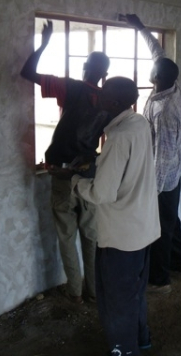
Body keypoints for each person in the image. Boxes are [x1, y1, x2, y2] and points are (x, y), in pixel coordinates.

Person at [20, 20, 110, 304]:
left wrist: (44, 43)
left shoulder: (71, 88)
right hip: (89, 174)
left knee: (66, 235)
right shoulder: (108, 101)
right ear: (104, 74)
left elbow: (27, 72)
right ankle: (94, 291)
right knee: (91, 237)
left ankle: (74, 291)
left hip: (62, 173)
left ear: (84, 65)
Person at [71, 77, 160, 356]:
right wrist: (99, 163)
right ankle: (141, 339)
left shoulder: (118, 137)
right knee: (134, 294)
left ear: (114, 102)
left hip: (121, 237)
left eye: (103, 95)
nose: (97, 98)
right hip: (142, 228)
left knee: (116, 301)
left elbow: (102, 194)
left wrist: (74, 180)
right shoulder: (138, 123)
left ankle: (124, 350)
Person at [121, 14, 181, 294]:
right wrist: (140, 28)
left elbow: (162, 156)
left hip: (164, 179)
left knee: (161, 228)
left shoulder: (165, 111)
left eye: (153, 70)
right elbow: (159, 54)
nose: (150, 69)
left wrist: (154, 189)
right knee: (171, 221)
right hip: (173, 174)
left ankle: (161, 278)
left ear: (157, 77)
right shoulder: (170, 86)